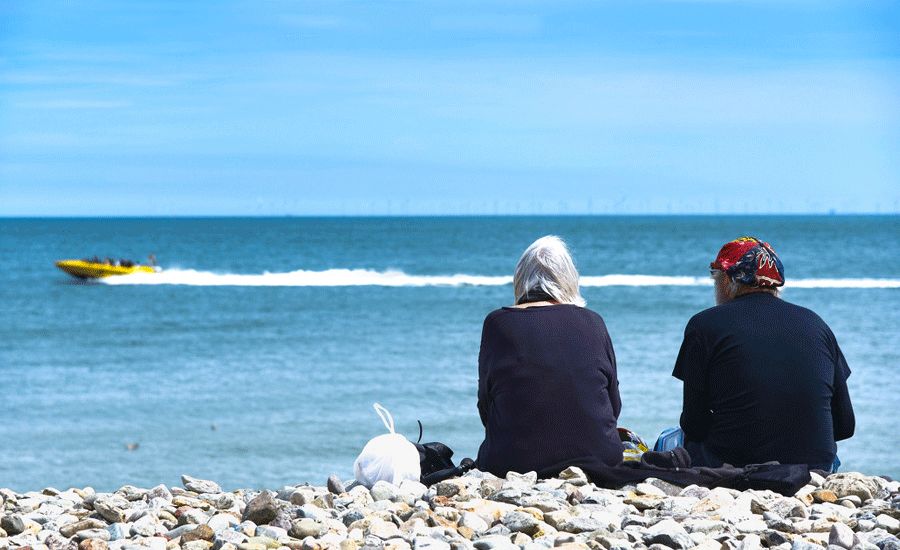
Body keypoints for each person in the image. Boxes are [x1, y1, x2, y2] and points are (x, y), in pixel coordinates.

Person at [671, 236, 854, 472]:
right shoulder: (816, 324)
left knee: (670, 439)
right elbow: (845, 426)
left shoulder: (703, 325)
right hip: (813, 469)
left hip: (734, 468)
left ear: (727, 280)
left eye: (715, 278)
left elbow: (693, 424)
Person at [476, 236, 624, 477]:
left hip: (512, 460)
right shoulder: (593, 322)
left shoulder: (497, 323)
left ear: (520, 278)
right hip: (599, 456)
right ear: (569, 278)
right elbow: (613, 403)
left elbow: (486, 405)